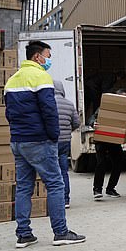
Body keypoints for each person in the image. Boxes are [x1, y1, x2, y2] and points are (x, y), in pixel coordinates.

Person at [4, 40, 85, 247]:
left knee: (23, 187)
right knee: (55, 184)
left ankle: (23, 235)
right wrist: (53, 136)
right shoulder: (41, 77)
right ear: (37, 57)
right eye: (48, 56)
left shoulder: (12, 80)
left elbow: (8, 114)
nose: (49, 60)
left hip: (18, 141)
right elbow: (49, 111)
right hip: (40, 140)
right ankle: (61, 233)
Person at [92, 89, 126, 200]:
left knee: (118, 162)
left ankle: (110, 188)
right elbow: (92, 118)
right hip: (102, 139)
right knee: (101, 163)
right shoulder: (106, 107)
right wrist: (93, 123)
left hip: (114, 140)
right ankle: (97, 189)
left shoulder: (125, 111)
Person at [53, 80, 80, 208]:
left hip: (51, 141)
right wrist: (68, 130)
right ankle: (66, 200)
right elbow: (76, 123)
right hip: (65, 142)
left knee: (51, 171)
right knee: (64, 171)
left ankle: (53, 200)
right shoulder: (69, 104)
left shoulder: (47, 103)